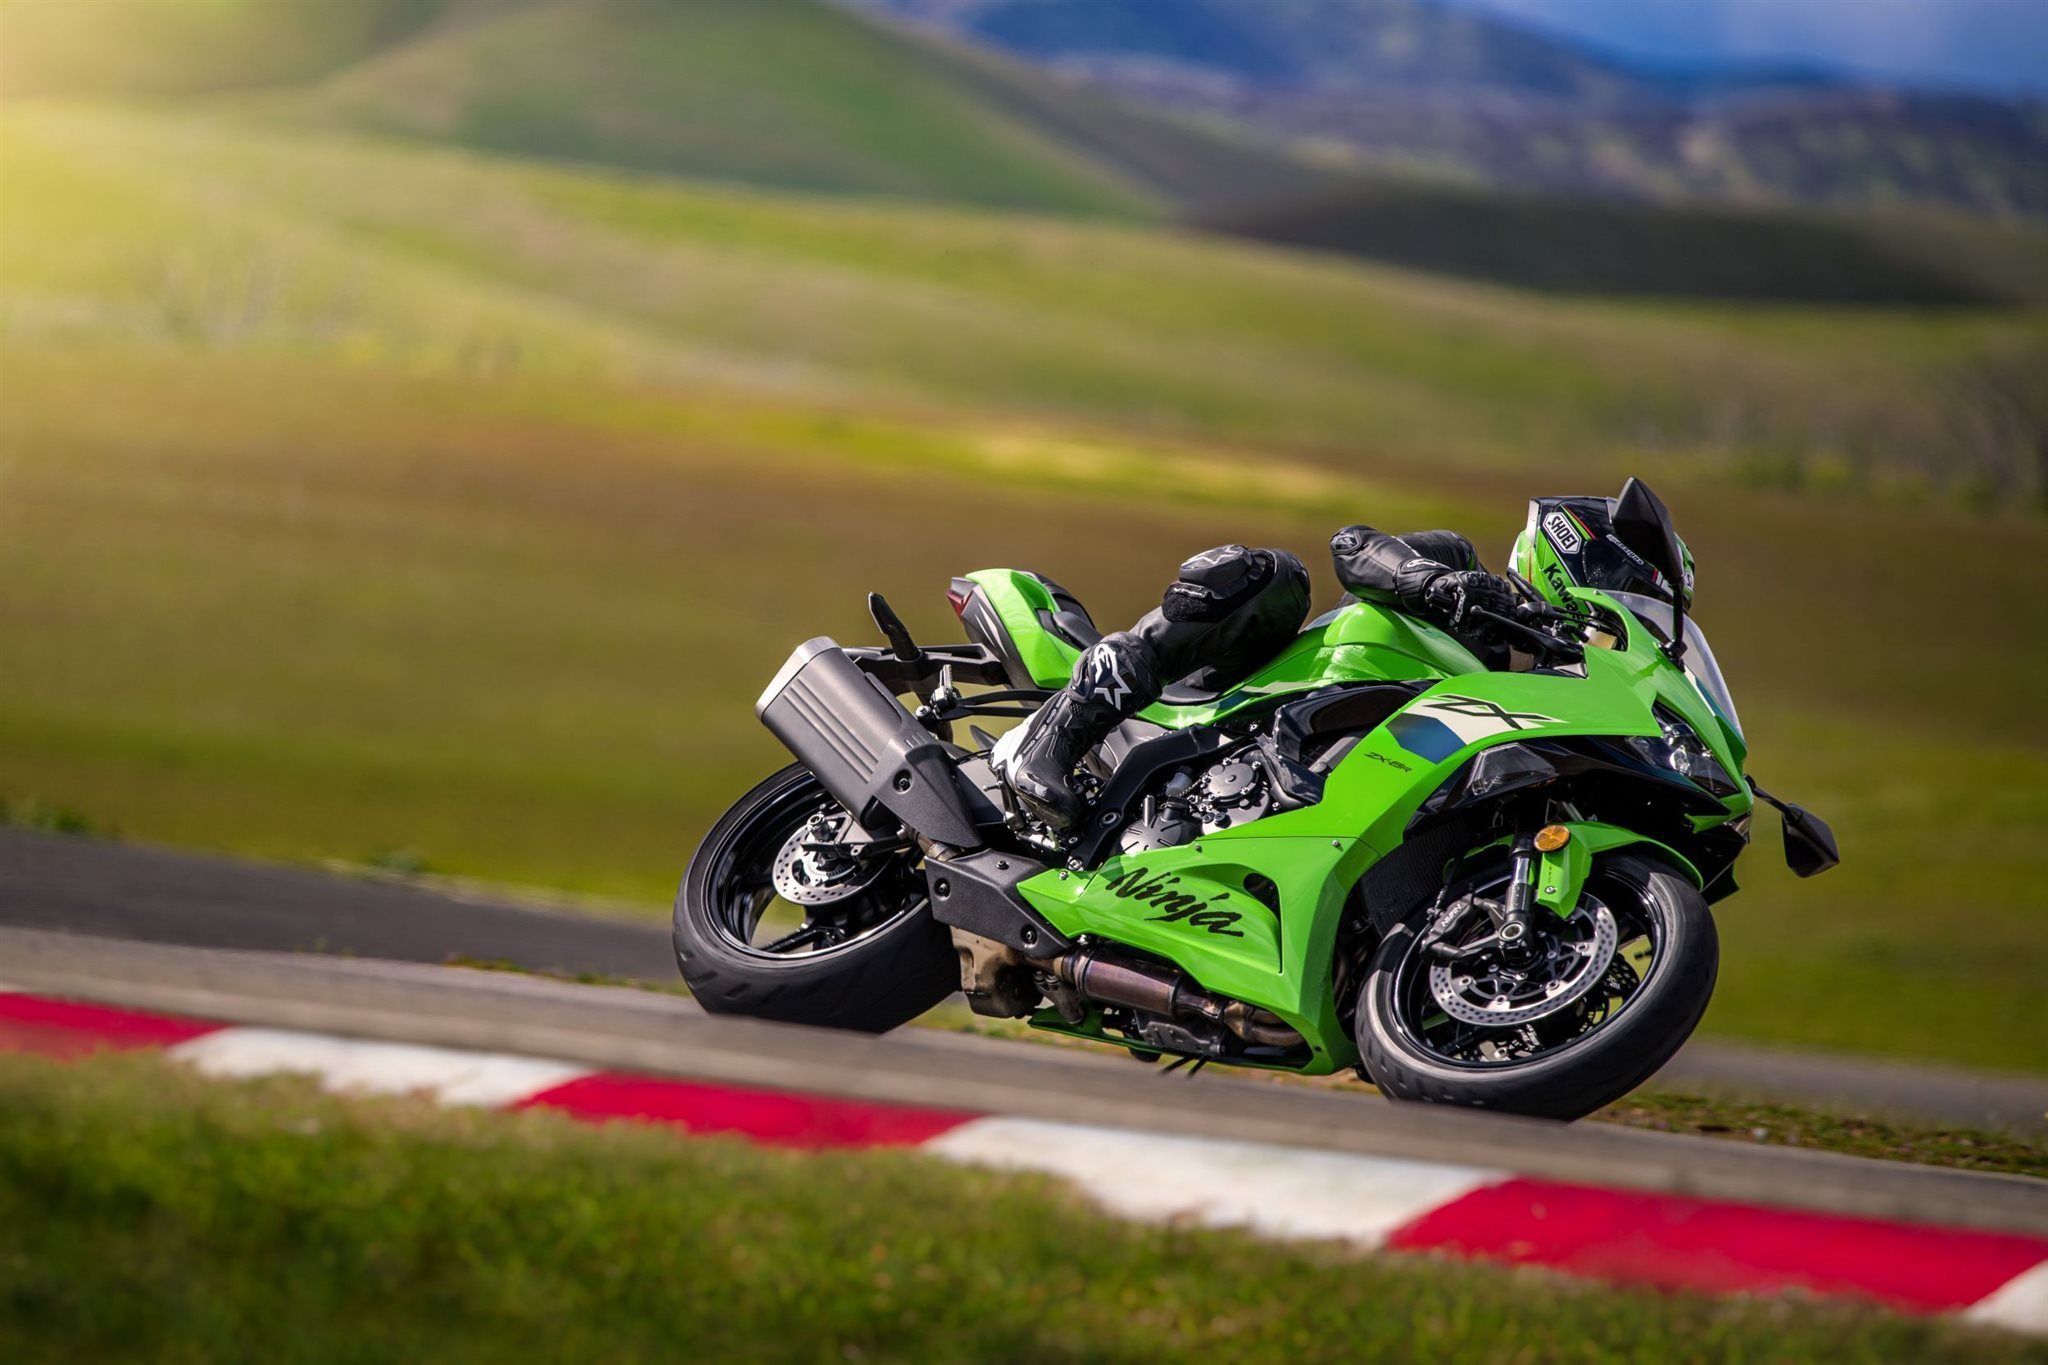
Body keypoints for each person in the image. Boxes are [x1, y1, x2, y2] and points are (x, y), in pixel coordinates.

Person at [1004, 527, 1520, 830]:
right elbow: (1352, 545)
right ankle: (1056, 736)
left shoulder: (1532, 711)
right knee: (1272, 574)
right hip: (1259, 692)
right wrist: (1435, 581)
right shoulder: (1464, 575)